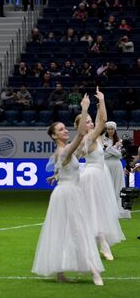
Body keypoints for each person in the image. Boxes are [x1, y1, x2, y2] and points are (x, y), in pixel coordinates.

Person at [32, 93, 104, 285]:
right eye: (61, 129)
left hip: (68, 191)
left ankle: (61, 273)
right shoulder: (63, 150)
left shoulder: (64, 152)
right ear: (54, 135)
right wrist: (84, 108)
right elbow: (80, 135)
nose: (65, 131)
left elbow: (93, 131)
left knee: (69, 230)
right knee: (77, 230)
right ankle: (94, 271)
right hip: (67, 194)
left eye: (65, 128)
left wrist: (55, 176)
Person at [76, 89, 125, 260]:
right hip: (92, 176)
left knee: (101, 210)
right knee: (95, 211)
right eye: (87, 121)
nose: (90, 123)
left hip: (100, 173)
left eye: (90, 121)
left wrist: (101, 103)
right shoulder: (87, 138)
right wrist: (86, 109)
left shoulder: (95, 135)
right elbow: (100, 121)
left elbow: (101, 119)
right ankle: (102, 244)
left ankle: (101, 242)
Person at [103, 121, 131, 219]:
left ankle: (119, 208)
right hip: (106, 165)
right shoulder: (103, 140)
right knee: (107, 187)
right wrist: (115, 147)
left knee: (118, 187)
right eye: (108, 129)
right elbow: (104, 155)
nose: (110, 131)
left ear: (115, 130)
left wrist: (110, 149)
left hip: (116, 166)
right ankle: (107, 209)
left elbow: (120, 155)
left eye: (112, 129)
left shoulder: (120, 140)